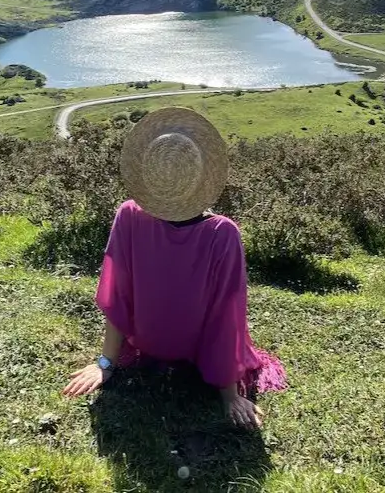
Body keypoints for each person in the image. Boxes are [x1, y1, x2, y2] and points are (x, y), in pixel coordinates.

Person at [61, 107, 287, 428]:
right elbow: (119, 297)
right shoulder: (129, 215)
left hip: (196, 354)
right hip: (148, 347)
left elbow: (225, 317)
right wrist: (104, 363)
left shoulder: (221, 234)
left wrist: (228, 394)